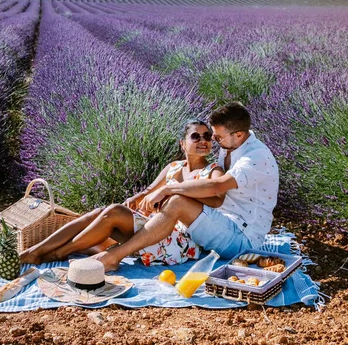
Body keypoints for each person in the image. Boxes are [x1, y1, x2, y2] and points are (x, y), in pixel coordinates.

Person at [92, 101, 279, 271]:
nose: (212, 140)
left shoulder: (255, 157)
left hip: (243, 238)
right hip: (222, 223)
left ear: (238, 134)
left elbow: (217, 186)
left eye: (218, 137)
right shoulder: (232, 143)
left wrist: (168, 189)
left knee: (177, 202)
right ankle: (97, 247)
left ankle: (114, 256)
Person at [20, 119, 225, 266]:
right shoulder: (173, 167)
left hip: (181, 241)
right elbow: (149, 191)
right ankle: (35, 251)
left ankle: (59, 253)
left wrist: (172, 193)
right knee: (101, 211)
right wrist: (136, 199)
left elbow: (217, 198)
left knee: (114, 212)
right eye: (195, 136)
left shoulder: (213, 171)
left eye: (207, 136)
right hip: (153, 229)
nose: (203, 140)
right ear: (183, 143)